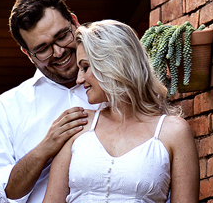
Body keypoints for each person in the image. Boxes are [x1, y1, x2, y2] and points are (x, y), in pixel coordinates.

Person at [42, 20, 199, 203]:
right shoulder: (78, 124)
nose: (79, 79)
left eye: (85, 67)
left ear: (113, 63)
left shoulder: (174, 131)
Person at [0, 0, 95, 203]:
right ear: (27, 54)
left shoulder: (120, 88)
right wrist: (43, 151)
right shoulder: (6, 108)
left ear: (75, 22)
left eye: (62, 36)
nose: (58, 52)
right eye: (42, 49)